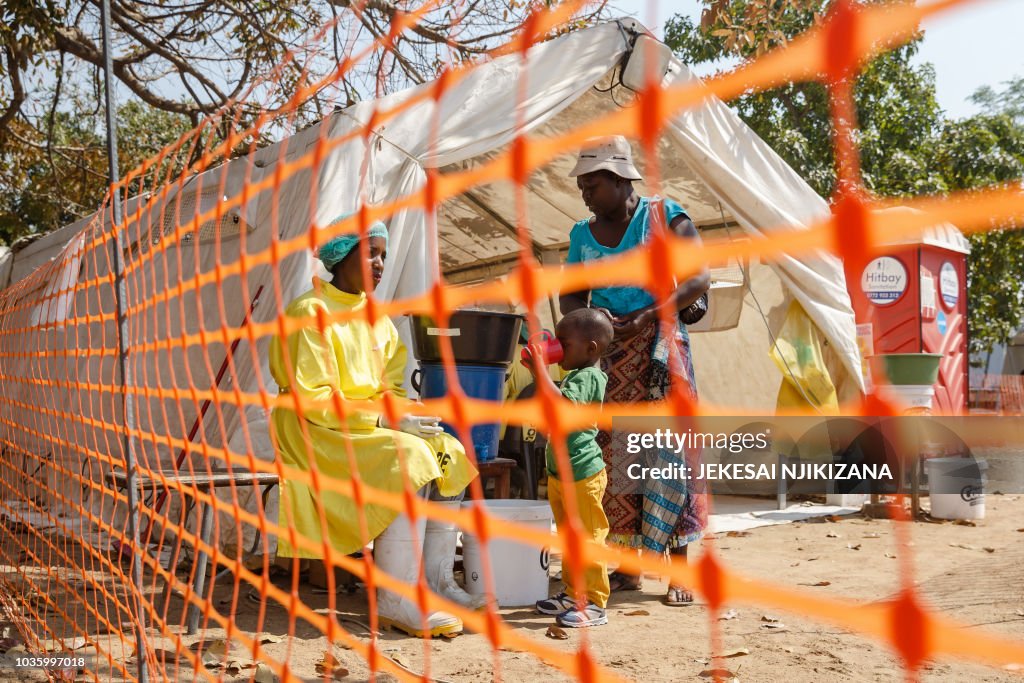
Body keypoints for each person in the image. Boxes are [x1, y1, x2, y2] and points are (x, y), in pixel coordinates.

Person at [268, 218, 481, 638]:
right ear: (340, 255)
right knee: (412, 456)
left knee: (448, 448)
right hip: (316, 430)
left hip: (363, 427)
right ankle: (394, 597)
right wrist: (385, 419)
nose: (380, 263)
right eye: (371, 252)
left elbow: (389, 389)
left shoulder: (379, 322)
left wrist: (408, 412)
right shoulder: (308, 312)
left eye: (383, 254)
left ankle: (437, 584)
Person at [559, 136, 711, 606]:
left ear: (622, 178)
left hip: (662, 351)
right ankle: (628, 566)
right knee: (613, 459)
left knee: (669, 456)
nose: (585, 193)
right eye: (582, 186)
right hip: (608, 356)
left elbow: (697, 279)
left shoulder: (665, 217)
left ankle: (680, 571)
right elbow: (570, 294)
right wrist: (590, 329)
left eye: (593, 184)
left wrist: (647, 316)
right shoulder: (581, 236)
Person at [528, 308, 613, 627]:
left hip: (583, 474)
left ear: (590, 348)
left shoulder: (589, 376)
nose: (558, 347)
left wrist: (541, 371)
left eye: (564, 342)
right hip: (560, 473)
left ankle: (594, 602)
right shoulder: (574, 376)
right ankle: (573, 592)